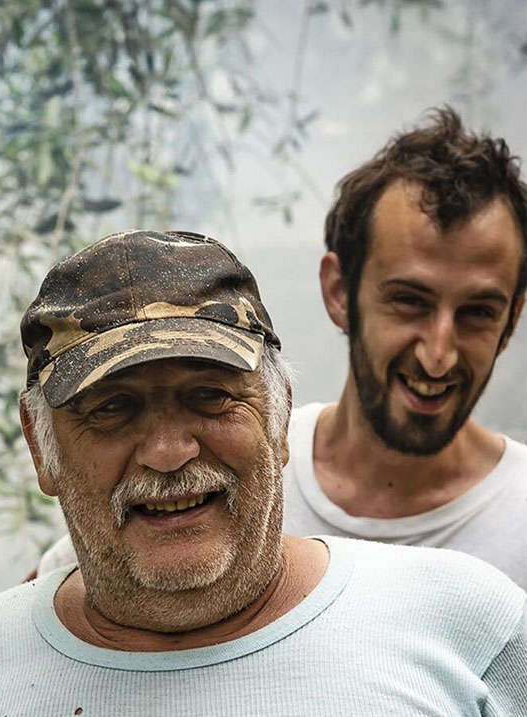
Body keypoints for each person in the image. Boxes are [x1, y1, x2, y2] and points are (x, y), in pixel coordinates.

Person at [0, 230, 527, 716]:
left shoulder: (468, 626)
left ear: (280, 419)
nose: (167, 451)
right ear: (40, 446)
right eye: (113, 408)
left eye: (210, 396)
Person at [35, 107, 527, 588]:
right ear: (339, 291)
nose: (438, 354)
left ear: (513, 317)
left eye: (478, 312)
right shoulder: (237, 462)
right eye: (408, 301)